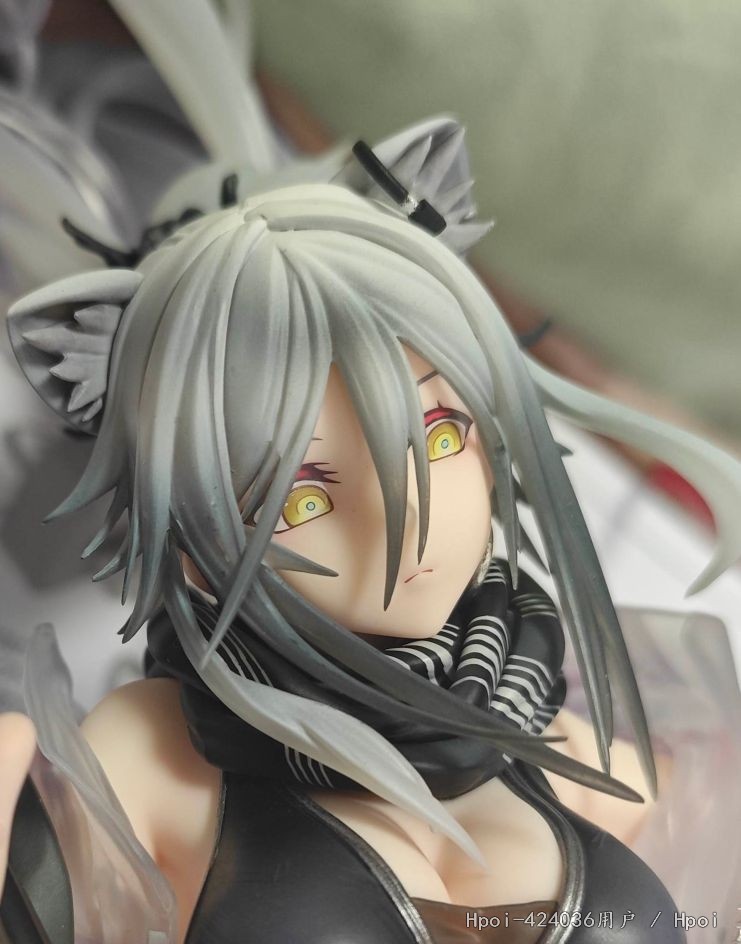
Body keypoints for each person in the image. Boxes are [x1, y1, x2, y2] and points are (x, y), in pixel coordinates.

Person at [2, 3, 741, 942]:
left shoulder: (581, 742)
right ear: (193, 542)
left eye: (439, 437)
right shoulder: (146, 757)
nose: (406, 524)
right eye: (303, 497)